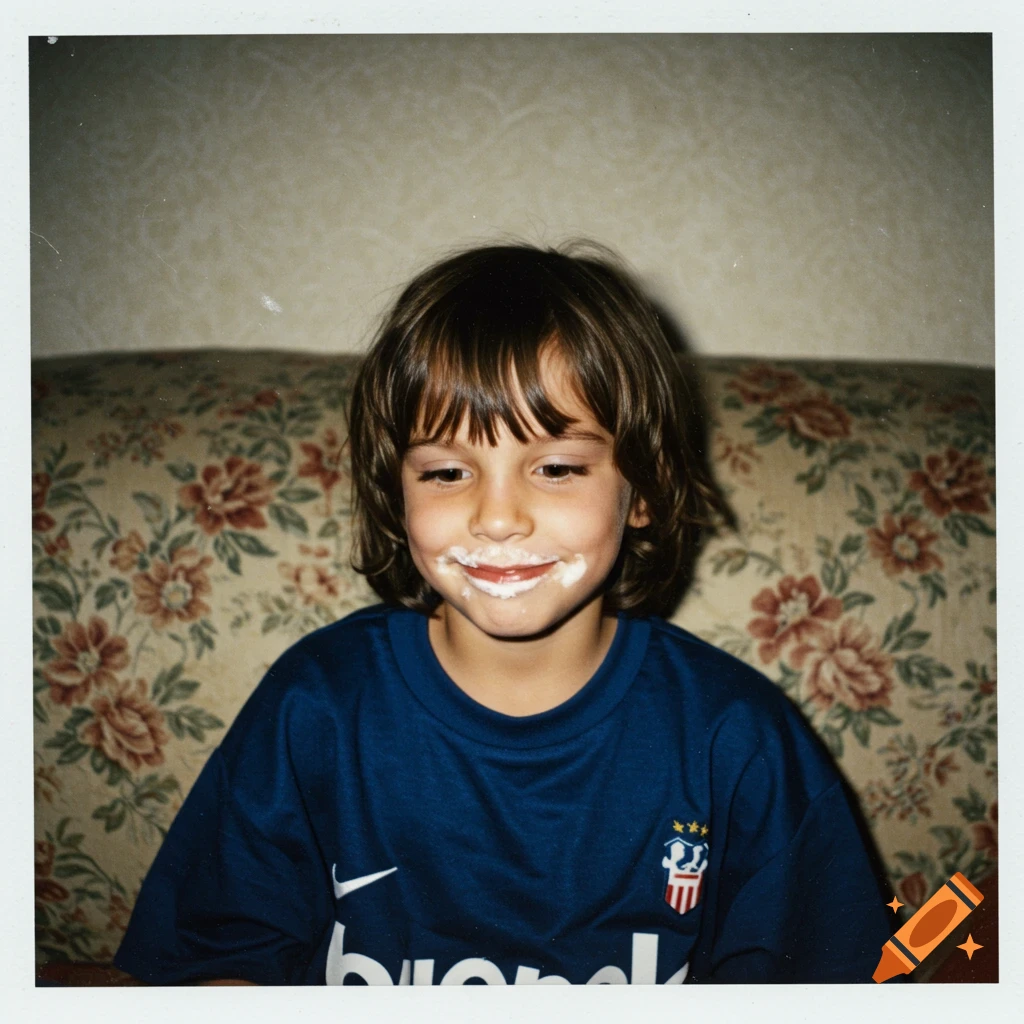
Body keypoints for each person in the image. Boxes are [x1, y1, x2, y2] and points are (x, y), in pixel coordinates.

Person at [114, 241, 891, 985]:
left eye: (555, 467)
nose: (496, 517)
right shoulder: (316, 705)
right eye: (448, 471)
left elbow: (827, 983)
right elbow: (214, 966)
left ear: (645, 488)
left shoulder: (737, 738)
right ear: (397, 492)